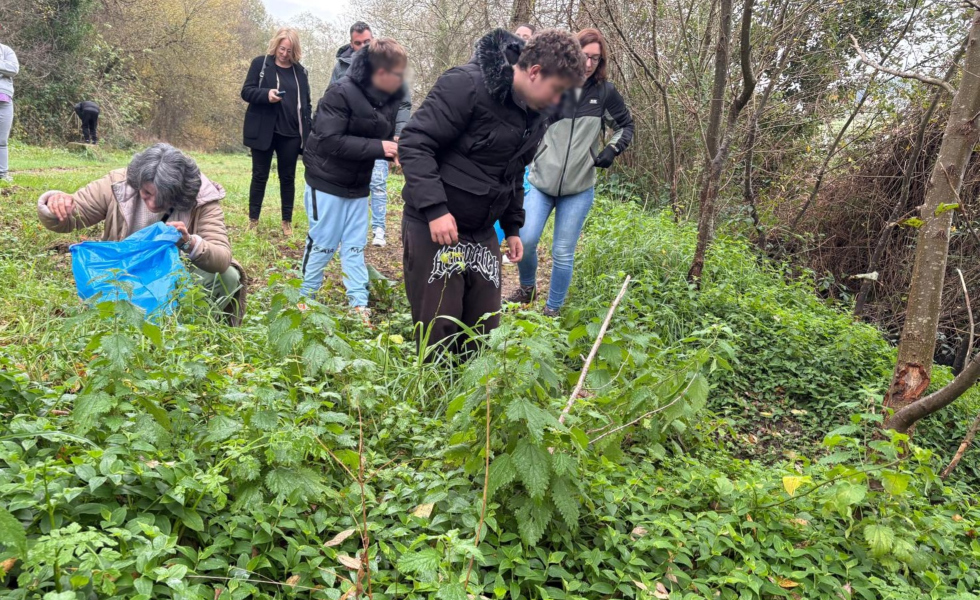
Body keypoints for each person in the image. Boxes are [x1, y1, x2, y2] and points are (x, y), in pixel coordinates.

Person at [399, 28, 585, 354]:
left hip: (483, 230)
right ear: (535, 72)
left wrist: (512, 227)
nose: (559, 102)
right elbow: (415, 143)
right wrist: (435, 209)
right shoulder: (466, 84)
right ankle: (434, 386)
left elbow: (513, 170)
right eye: (557, 90)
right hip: (435, 226)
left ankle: (472, 386)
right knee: (439, 333)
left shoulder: (535, 113)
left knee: (483, 331)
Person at [36, 144, 247, 323]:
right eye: (146, 193)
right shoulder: (117, 184)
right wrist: (55, 204)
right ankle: (117, 318)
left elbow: (221, 257)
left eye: (164, 199)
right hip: (123, 273)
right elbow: (71, 216)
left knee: (228, 276)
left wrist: (189, 242)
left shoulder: (202, 198)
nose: (153, 204)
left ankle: (186, 326)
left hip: (174, 278)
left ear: (182, 193)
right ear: (137, 181)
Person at [509, 28, 634, 316]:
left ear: (601, 61)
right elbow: (525, 119)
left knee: (563, 252)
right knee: (526, 240)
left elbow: (625, 125)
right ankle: (527, 288)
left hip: (578, 187)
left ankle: (552, 310)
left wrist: (613, 149)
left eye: (595, 58)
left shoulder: (605, 93)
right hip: (540, 181)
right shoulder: (554, 85)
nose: (588, 64)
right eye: (584, 56)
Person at [300, 38, 408, 320]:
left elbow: (381, 134)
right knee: (323, 243)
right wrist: (380, 148)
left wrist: (397, 148)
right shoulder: (340, 92)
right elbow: (329, 140)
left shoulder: (387, 98)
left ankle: (359, 306)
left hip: (358, 184)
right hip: (326, 180)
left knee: (355, 246)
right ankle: (304, 300)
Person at [330, 21, 413, 248]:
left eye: (367, 41)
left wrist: (399, 132)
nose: (363, 46)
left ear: (373, 39)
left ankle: (378, 229)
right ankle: (345, 232)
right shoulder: (341, 66)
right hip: (351, 139)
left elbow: (404, 101)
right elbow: (332, 97)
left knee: (377, 183)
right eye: (358, 43)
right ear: (351, 44)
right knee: (346, 184)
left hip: (380, 135)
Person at [241, 28, 313, 236]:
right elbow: (246, 91)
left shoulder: (300, 72)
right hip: (264, 130)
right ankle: (253, 220)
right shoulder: (261, 64)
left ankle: (286, 222)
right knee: (259, 175)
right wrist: (266, 95)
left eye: (289, 51)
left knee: (287, 177)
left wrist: (308, 133)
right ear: (276, 45)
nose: (284, 54)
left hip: (291, 133)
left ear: (295, 51)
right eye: (282, 49)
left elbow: (306, 105)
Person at [0, 40, 18, 183]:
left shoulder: (5, 50)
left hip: (4, 101)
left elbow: (14, 69)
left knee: (2, 140)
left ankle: (2, 174)